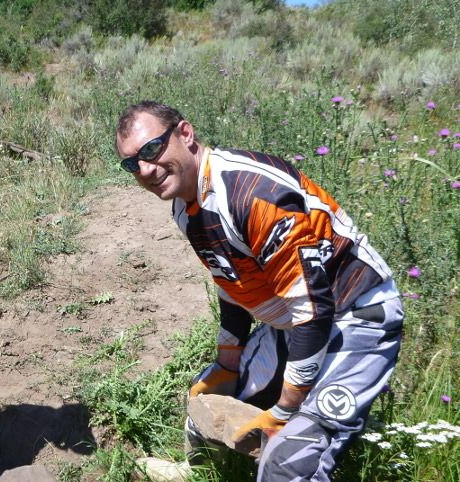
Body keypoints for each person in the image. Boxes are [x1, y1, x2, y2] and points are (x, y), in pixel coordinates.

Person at [115, 101, 403, 481]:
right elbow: (232, 285)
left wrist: (286, 408)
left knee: (288, 457)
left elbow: (314, 309)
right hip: (295, 320)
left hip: (356, 315)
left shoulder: (251, 194)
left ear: (185, 134)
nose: (146, 169)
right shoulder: (186, 207)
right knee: (210, 399)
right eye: (132, 164)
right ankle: (199, 472)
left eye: (152, 149)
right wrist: (226, 362)